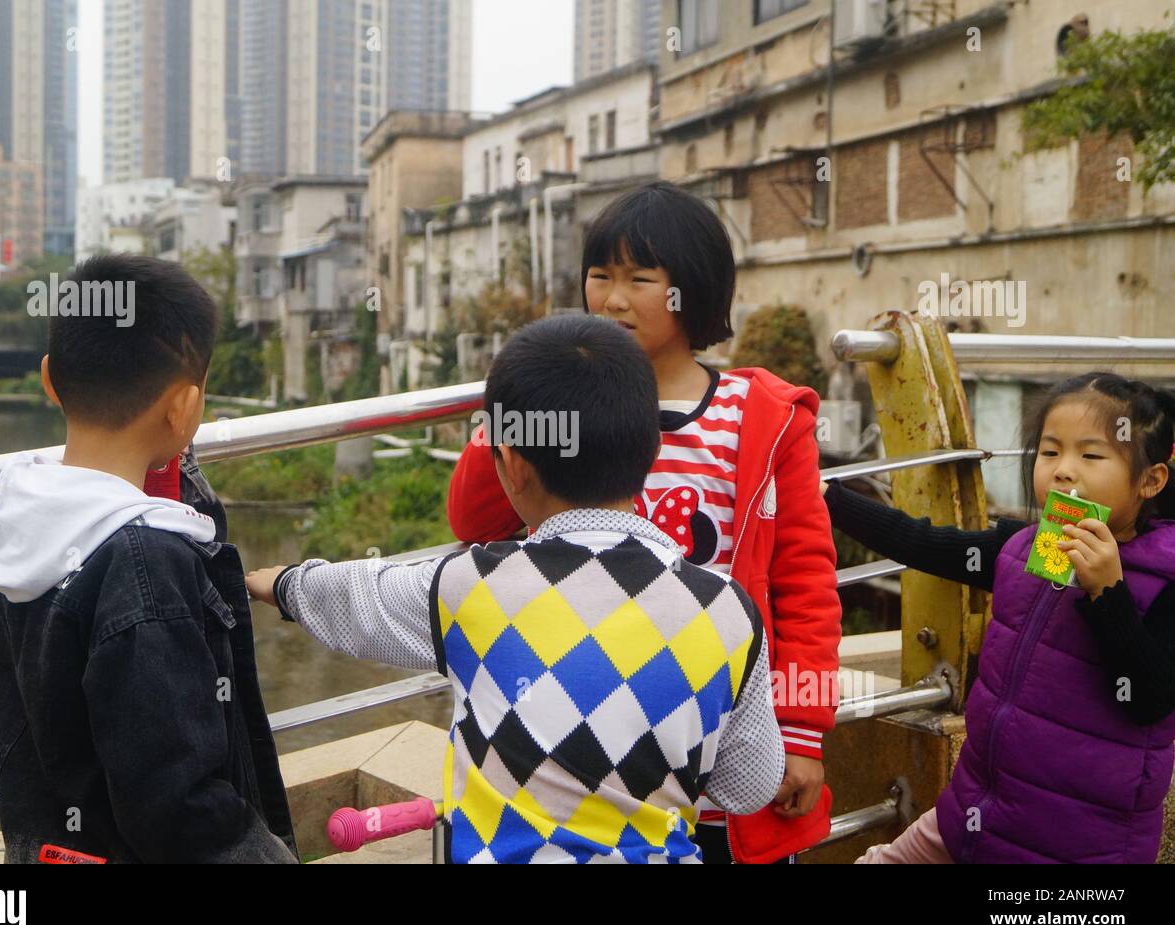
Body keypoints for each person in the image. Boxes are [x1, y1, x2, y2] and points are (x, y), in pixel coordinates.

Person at [247, 314, 785, 863]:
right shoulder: (726, 609)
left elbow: (356, 598)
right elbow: (751, 786)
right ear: (652, 450)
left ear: (511, 465)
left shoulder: (472, 588)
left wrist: (280, 583)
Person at [444, 181, 840, 863]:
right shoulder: (565, 404)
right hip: (582, 722)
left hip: (715, 726)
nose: (613, 299)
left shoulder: (760, 418)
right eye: (600, 276)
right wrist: (515, 393)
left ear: (693, 290)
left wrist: (801, 730)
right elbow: (474, 517)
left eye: (639, 279)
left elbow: (805, 579)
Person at [0, 254, 297, 864]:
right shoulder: (146, 564)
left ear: (49, 380)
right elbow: (180, 808)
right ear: (183, 408)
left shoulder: (20, 515)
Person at [826, 372, 1175, 863]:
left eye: (1091, 456)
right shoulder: (1023, 548)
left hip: (1079, 847)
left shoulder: (1164, 578)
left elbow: (1149, 700)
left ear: (1150, 480)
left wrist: (1107, 594)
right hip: (972, 817)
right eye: (1050, 452)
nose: (1063, 471)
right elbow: (919, 542)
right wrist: (829, 498)